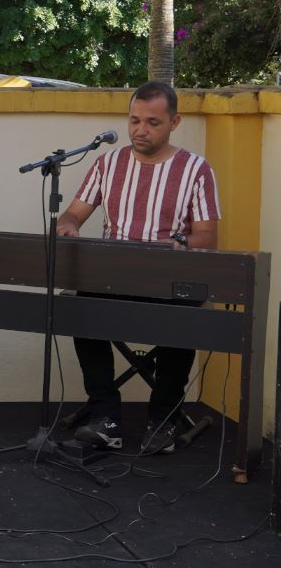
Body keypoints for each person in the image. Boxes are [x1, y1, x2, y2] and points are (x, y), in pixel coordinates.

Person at [56, 81, 220, 454]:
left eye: (152, 122)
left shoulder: (196, 169)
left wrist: (179, 244)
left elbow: (208, 237)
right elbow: (74, 212)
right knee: (82, 309)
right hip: (114, 276)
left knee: (184, 320)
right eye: (134, 120)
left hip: (170, 280)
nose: (140, 130)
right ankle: (105, 418)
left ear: (174, 122)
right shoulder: (107, 163)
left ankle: (163, 417)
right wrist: (69, 224)